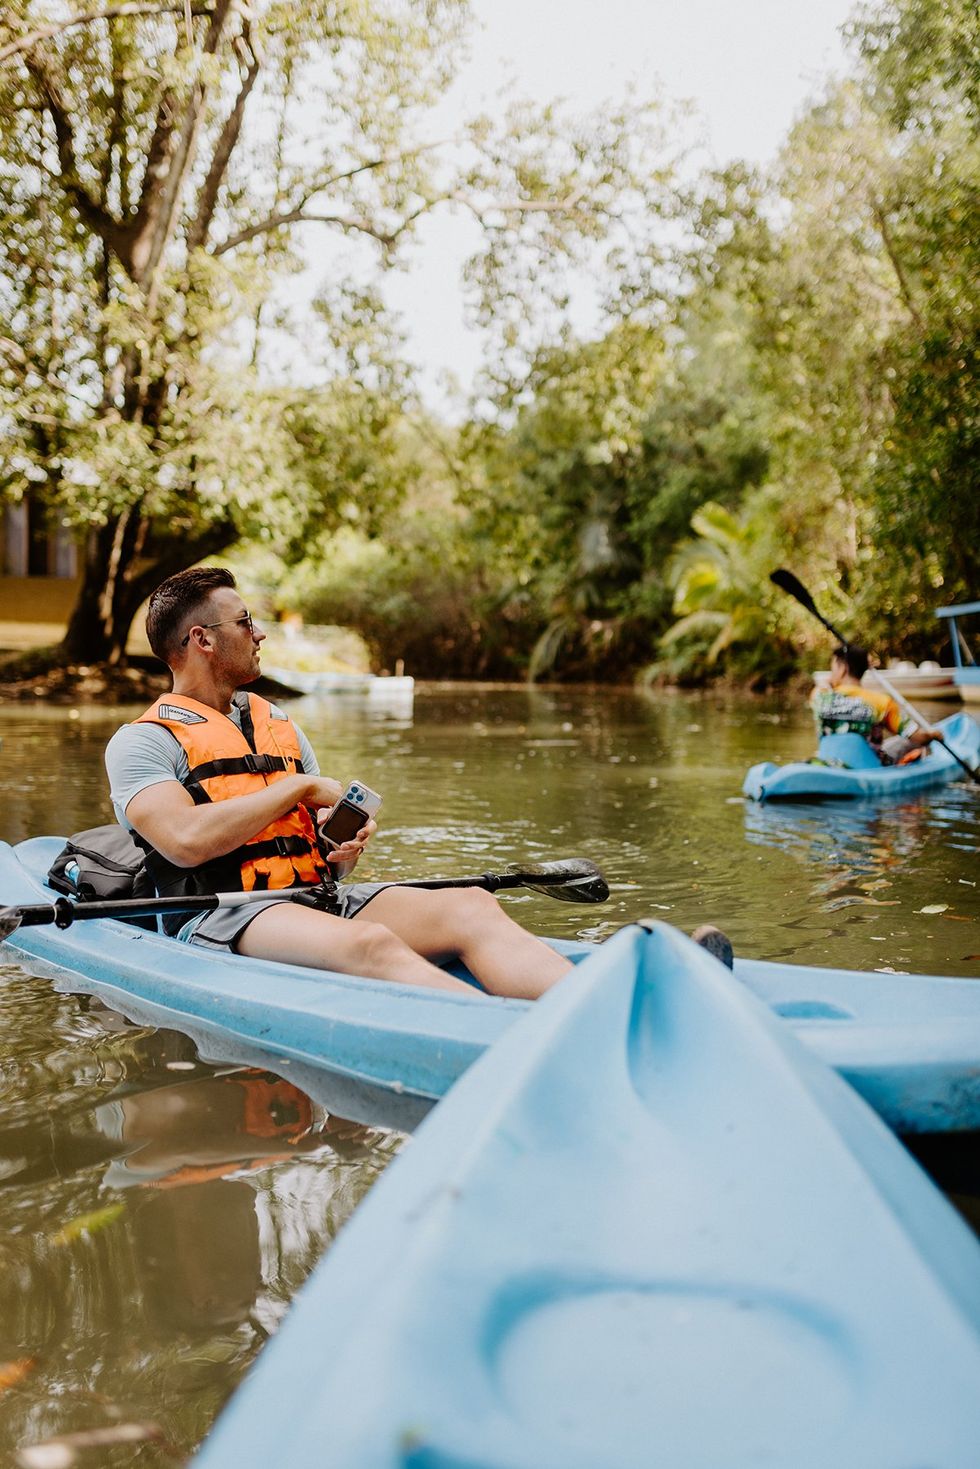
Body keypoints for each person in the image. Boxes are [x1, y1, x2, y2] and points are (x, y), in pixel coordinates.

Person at [105, 567, 573, 1000]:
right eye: (245, 622)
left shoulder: (278, 724)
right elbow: (185, 843)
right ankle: (508, 1040)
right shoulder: (142, 741)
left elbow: (332, 864)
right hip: (224, 914)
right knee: (371, 944)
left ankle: (588, 1016)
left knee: (472, 906)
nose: (259, 633)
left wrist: (342, 847)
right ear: (202, 638)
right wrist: (298, 788)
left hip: (315, 898)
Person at [810, 644, 941, 764]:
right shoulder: (882, 702)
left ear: (843, 668)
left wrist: (837, 674)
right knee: (908, 741)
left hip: (830, 762)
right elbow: (918, 737)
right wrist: (933, 735)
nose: (832, 673)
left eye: (833, 668)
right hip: (871, 766)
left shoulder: (820, 697)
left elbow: (824, 685)